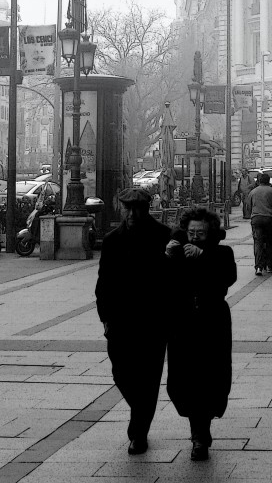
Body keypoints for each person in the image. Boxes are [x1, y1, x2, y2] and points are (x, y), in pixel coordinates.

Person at [95, 188, 171, 454]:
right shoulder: (113, 240)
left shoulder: (164, 236)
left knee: (149, 378)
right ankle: (139, 413)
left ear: (147, 208)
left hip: (153, 321)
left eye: (137, 208)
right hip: (120, 320)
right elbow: (103, 282)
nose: (131, 213)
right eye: (127, 208)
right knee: (122, 372)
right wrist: (104, 316)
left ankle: (138, 433)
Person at [165, 207, 237, 461]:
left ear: (210, 233)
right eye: (191, 232)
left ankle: (200, 436)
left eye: (201, 233)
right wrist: (168, 256)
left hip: (212, 324)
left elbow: (228, 277)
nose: (195, 237)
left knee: (210, 379)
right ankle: (199, 433)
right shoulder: (177, 252)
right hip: (182, 324)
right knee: (183, 380)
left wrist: (203, 257)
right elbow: (163, 282)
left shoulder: (222, 253)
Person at [248, 172, 272, 275]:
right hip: (269, 219)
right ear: (268, 181)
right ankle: (270, 266)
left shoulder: (253, 192)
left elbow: (248, 206)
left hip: (256, 219)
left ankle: (259, 267)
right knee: (270, 242)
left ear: (259, 181)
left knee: (258, 243)